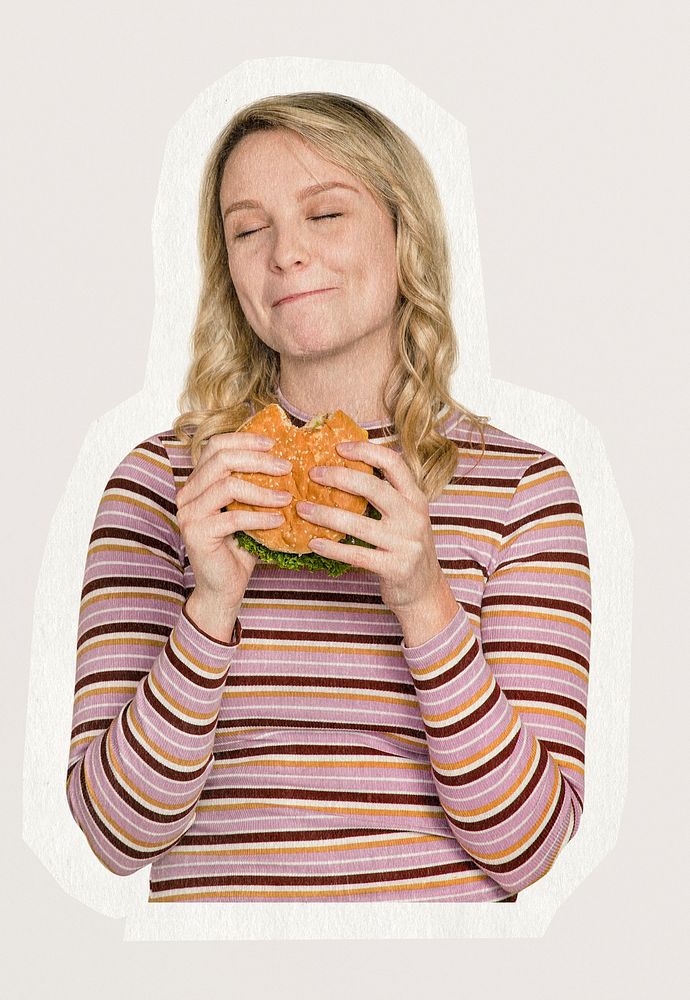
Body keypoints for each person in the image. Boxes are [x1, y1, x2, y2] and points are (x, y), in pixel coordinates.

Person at [66, 92, 592, 903]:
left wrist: (423, 599)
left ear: (402, 230)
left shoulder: (522, 489)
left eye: (326, 214)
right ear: (228, 268)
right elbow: (114, 835)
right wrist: (209, 606)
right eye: (249, 229)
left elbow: (527, 849)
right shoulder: (160, 485)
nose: (286, 255)